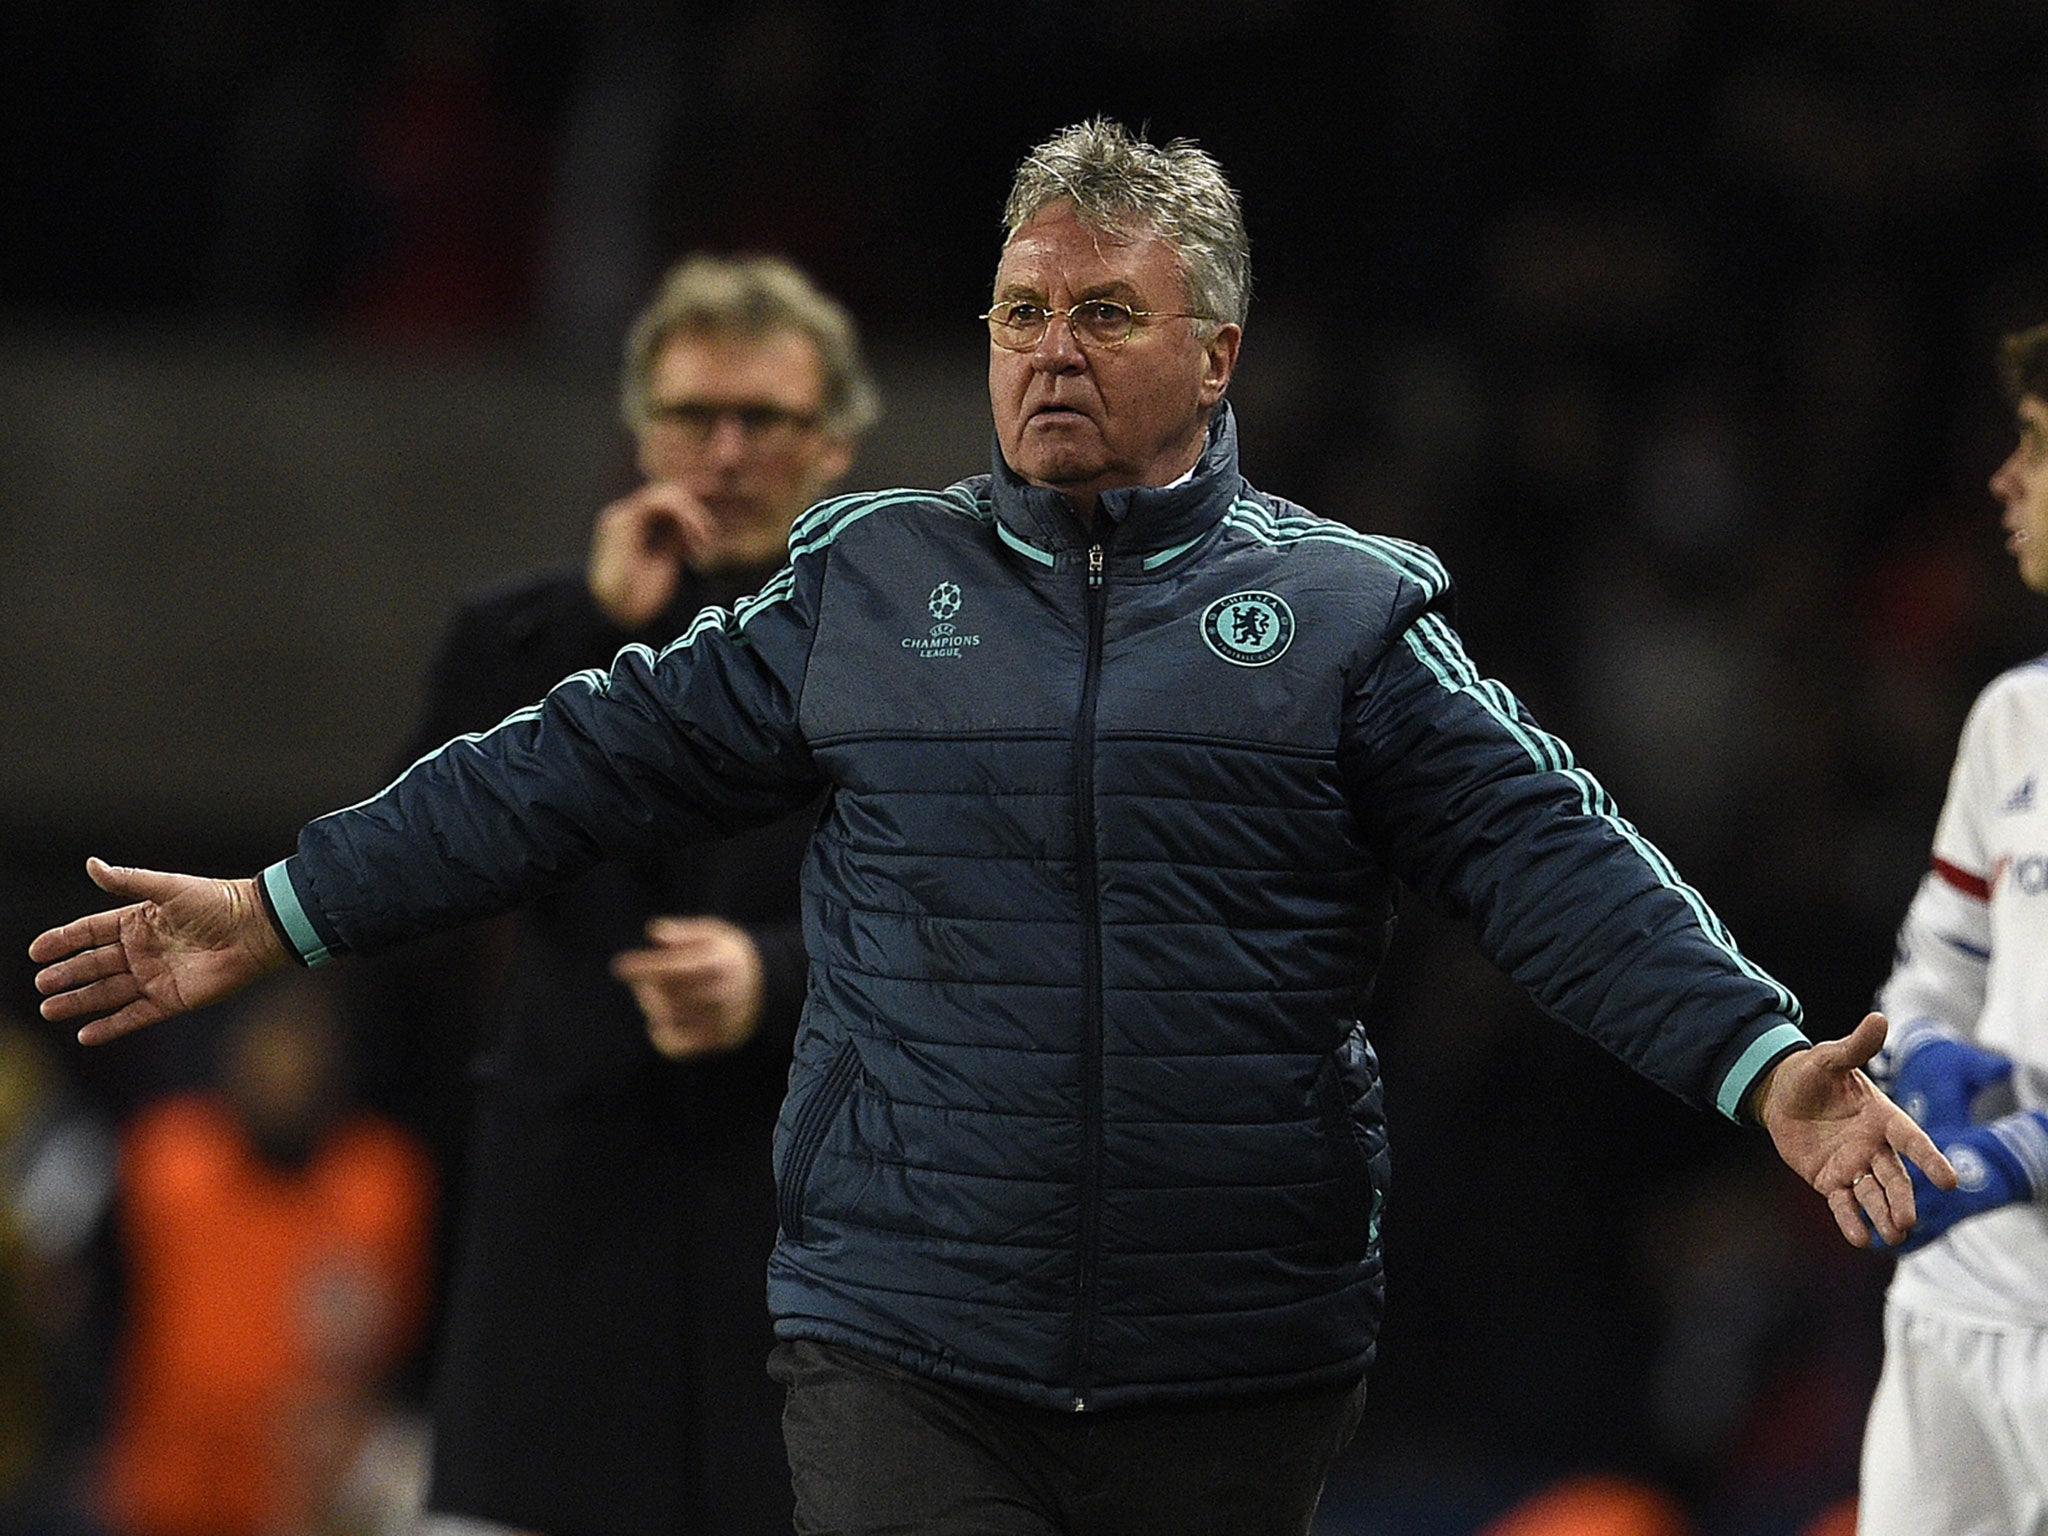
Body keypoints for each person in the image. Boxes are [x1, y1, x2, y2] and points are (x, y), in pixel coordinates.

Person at [32, 119, 1952, 1536]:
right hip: (903, 1331)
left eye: (1101, 314)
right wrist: (283, 907)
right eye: (1020, 311)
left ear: (1212, 357)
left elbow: (1549, 855)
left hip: (1235, 1348)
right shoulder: (868, 587)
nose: (1045, 348)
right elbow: (567, 761)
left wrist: (1751, 1058)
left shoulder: (1348, 618)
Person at [393, 252, 877, 1536]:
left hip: (800, 1257)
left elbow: (965, 918)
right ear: (638, 431)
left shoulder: (910, 660)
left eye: (763, 419)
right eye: (689, 416)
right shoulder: (521, 637)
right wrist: (588, 631)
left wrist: (770, 974)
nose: (723, 451)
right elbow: (417, 875)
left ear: (832, 444)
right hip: (563, 1261)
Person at [1853, 322, 2048, 1536]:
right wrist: (1921, 1056)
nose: (2001, 479)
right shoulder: (2010, 723)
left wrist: (2018, 1157)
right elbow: (1933, 964)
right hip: (1957, 1304)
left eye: (2033, 444)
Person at [93, 972, 434, 1536]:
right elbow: (102, 1305)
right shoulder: (166, 1158)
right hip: (164, 1485)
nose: (287, 1068)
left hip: (312, 1501)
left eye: (306, 1047)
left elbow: (405, 1345)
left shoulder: (380, 1181)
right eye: (271, 1043)